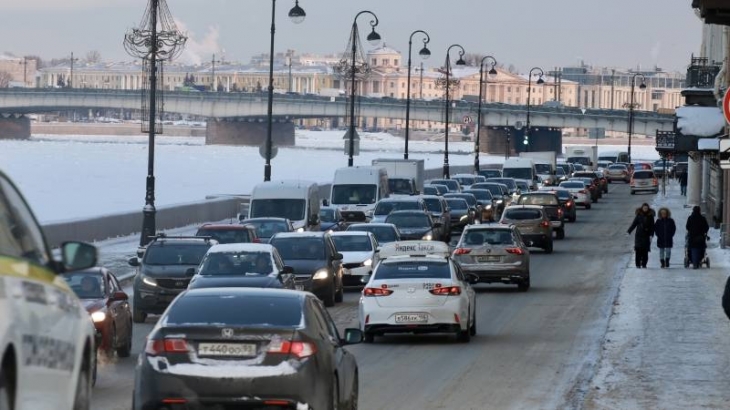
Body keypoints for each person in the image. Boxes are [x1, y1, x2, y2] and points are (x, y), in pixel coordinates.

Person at [627, 203, 655, 268]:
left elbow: (652, 226)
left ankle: (644, 264)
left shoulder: (650, 216)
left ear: (648, 209)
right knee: (638, 250)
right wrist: (629, 231)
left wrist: (651, 234)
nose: (645, 209)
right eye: (644, 208)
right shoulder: (639, 215)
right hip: (639, 235)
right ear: (642, 208)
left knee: (645, 251)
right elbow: (634, 224)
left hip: (646, 236)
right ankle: (638, 264)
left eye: (646, 208)